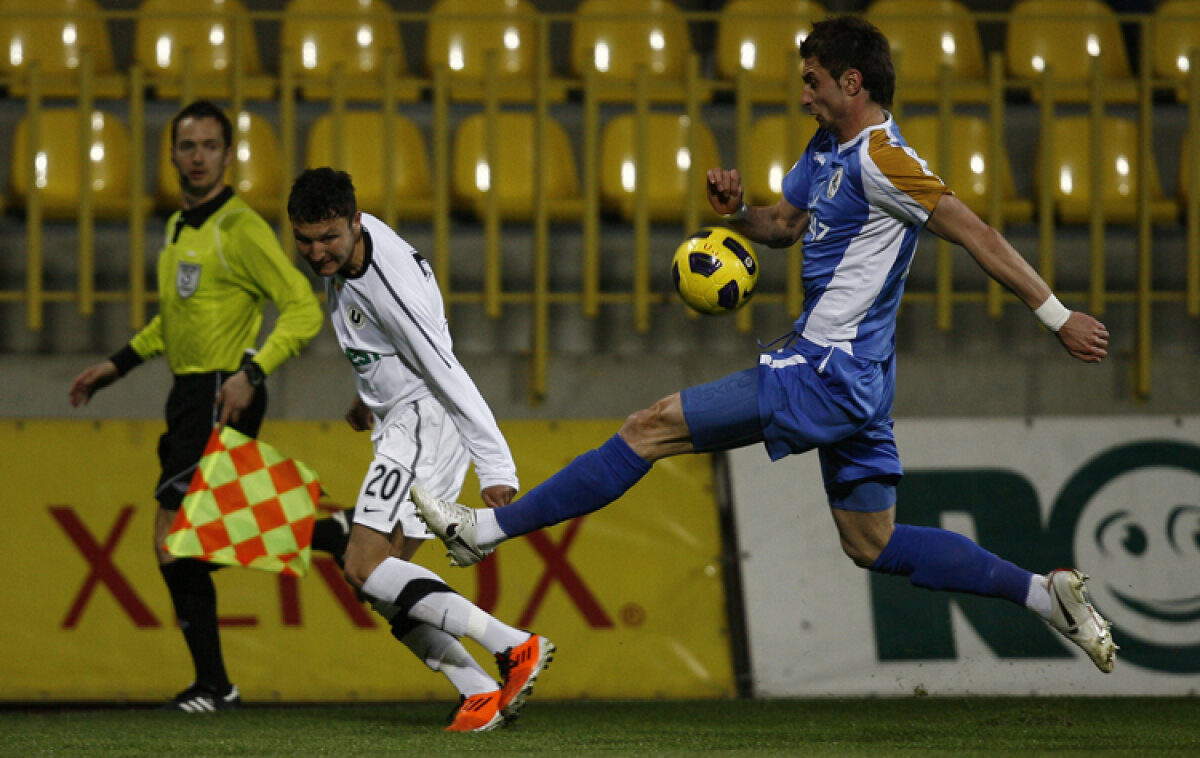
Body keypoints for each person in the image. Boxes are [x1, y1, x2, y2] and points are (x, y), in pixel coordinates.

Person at [413, 15, 1117, 675]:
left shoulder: (887, 161)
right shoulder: (827, 150)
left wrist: (1057, 317)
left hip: (825, 370)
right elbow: (784, 225)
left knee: (649, 427)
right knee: (871, 543)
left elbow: (978, 235)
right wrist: (738, 214)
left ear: (852, 83)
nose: (803, 92)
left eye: (813, 80)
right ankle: (1040, 594)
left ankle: (487, 529)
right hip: (857, 378)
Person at [68, 101, 352, 712]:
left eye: (209, 146)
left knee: (174, 536)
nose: (197, 156)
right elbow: (173, 324)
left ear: (228, 155)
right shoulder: (178, 227)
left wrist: (252, 370)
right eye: (187, 145)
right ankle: (333, 532)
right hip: (188, 394)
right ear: (171, 154)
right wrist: (115, 365)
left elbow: (302, 307)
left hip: (224, 390)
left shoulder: (240, 228)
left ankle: (214, 684)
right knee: (185, 537)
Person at [286, 167, 554, 732]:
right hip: (401, 414)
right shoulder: (358, 248)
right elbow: (381, 344)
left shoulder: (390, 285)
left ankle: (513, 647)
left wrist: (496, 465)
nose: (316, 252)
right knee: (384, 585)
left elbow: (445, 370)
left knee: (363, 565)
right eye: (305, 240)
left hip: (422, 422)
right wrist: (370, 397)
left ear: (355, 222)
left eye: (328, 238)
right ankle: (478, 690)